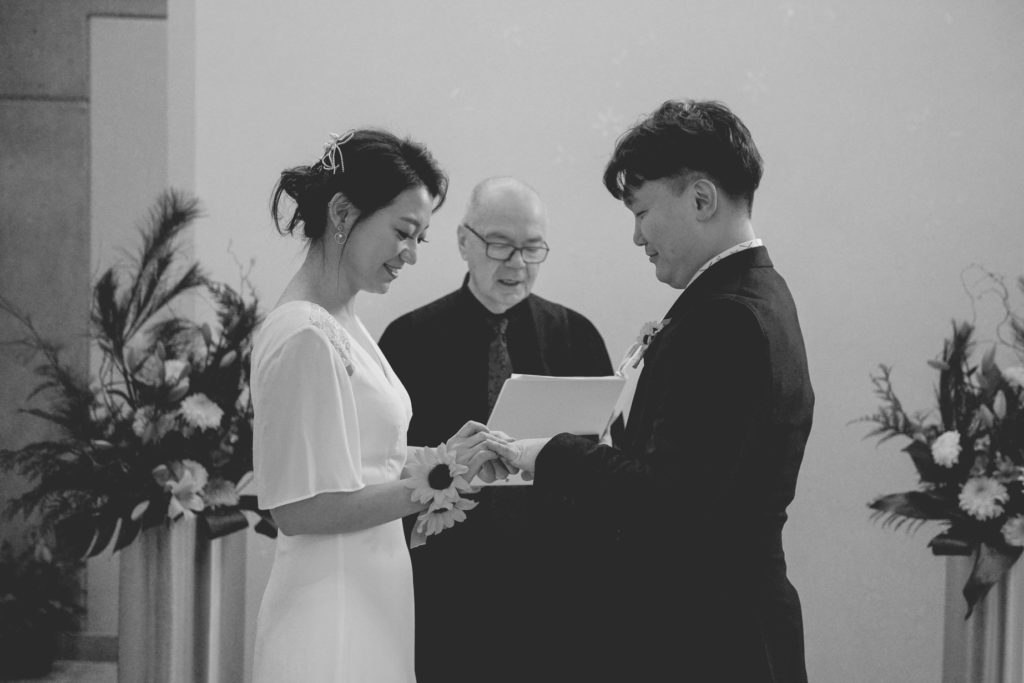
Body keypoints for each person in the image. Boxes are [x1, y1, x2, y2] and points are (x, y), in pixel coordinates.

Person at [491, 100, 815, 683]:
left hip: (708, 635)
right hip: (727, 620)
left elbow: (669, 498)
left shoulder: (726, 320)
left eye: (642, 212)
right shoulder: (759, 293)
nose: (637, 236)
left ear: (700, 199)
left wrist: (549, 451)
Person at [250, 129, 502, 682]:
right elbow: (299, 508)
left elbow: (366, 461)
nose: (410, 254)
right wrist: (438, 477)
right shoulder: (304, 334)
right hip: (331, 605)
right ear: (343, 212)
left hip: (372, 589)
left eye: (420, 238)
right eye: (403, 232)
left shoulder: (344, 320)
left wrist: (451, 459)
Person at [378, 176, 619, 683]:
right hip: (448, 584)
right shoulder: (409, 339)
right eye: (500, 245)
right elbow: (386, 463)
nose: (516, 264)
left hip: (556, 585)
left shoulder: (576, 336)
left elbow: (602, 465)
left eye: (532, 249)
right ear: (464, 242)